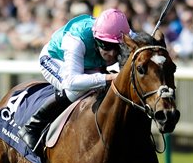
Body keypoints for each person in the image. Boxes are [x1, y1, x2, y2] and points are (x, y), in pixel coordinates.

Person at [18, 8, 131, 152]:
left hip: (87, 63)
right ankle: (32, 126)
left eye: (118, 47)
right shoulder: (77, 40)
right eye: (107, 46)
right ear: (96, 38)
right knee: (75, 90)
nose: (112, 53)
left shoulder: (122, 31)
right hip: (55, 59)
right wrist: (110, 77)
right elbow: (71, 81)